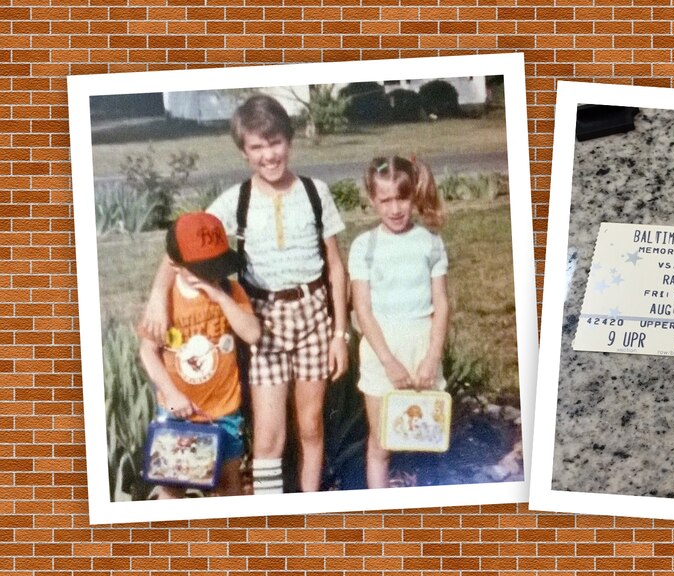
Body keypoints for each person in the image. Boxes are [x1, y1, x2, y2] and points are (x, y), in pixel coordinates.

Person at [140, 94, 349, 495]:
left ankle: (310, 504)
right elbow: (181, 247)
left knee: (310, 424)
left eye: (275, 143)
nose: (269, 155)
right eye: (257, 147)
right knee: (269, 437)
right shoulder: (236, 201)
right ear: (243, 152)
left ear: (289, 141)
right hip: (262, 320)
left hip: (314, 318)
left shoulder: (314, 192)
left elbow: (336, 266)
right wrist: (157, 295)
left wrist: (340, 334)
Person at [138, 212, 261, 498]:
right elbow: (148, 352)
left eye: (216, 267)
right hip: (176, 410)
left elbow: (252, 333)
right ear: (175, 265)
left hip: (223, 410)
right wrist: (171, 395)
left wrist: (220, 297)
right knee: (172, 485)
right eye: (204, 268)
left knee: (230, 484)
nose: (212, 275)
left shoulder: (229, 290)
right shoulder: (166, 301)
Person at [348, 155, 449, 489]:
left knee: (428, 438)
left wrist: (432, 357)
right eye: (385, 200)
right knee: (381, 442)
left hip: (422, 347)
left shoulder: (431, 243)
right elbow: (363, 309)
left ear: (413, 195)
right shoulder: (364, 246)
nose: (395, 209)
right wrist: (388, 362)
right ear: (372, 199)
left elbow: (441, 304)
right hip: (382, 352)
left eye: (401, 198)